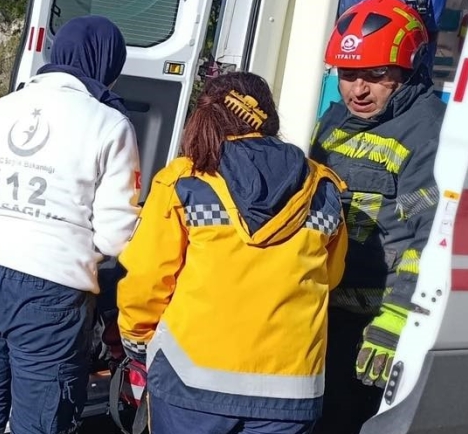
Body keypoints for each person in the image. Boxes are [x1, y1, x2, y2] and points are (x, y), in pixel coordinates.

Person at [117, 71, 349, 434]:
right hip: (290, 390)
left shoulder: (185, 180)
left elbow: (148, 276)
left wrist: (136, 337)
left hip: (190, 380)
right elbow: (331, 277)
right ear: (269, 117)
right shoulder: (323, 187)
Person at [0, 15, 141, 434]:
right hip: (50, 288)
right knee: (40, 422)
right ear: (108, 63)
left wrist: (4, 226)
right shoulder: (110, 123)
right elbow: (116, 235)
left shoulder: (0, 108)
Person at [310, 0, 444, 433]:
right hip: (319, 315)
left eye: (376, 75)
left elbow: (428, 237)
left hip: (371, 330)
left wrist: (395, 320)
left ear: (408, 70)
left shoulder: (427, 133)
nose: (358, 90)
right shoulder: (334, 121)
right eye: (348, 75)